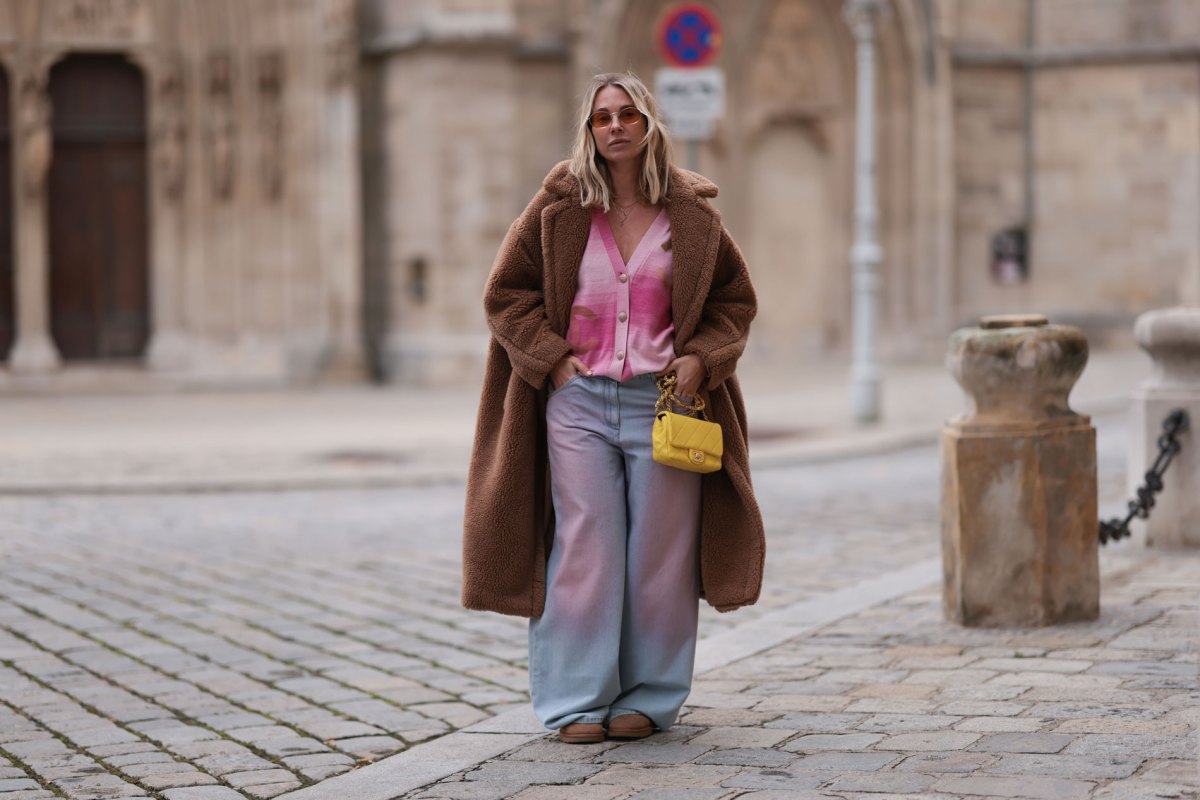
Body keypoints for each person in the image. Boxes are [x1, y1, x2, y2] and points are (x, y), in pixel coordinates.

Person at [462, 72, 764, 744]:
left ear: (649, 124)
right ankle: (575, 701)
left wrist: (701, 360)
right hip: (580, 402)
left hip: (668, 403)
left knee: (661, 552)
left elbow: (733, 304)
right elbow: (505, 295)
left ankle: (649, 698)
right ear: (590, 130)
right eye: (603, 117)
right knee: (586, 548)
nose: (617, 126)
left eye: (628, 114)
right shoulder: (559, 209)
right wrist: (554, 360)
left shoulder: (692, 217)